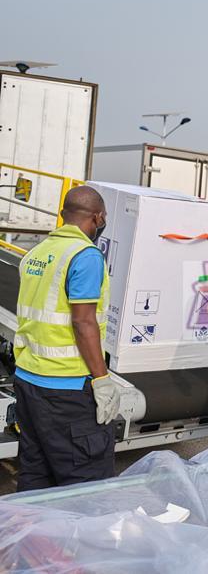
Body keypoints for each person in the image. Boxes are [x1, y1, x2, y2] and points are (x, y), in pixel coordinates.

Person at [13, 186, 120, 490]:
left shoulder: (37, 252)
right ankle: (81, 539)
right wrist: (101, 380)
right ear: (97, 218)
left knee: (35, 472)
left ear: (63, 215)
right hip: (67, 390)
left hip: (29, 380)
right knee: (86, 483)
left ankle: (33, 537)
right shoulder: (85, 256)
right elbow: (83, 321)